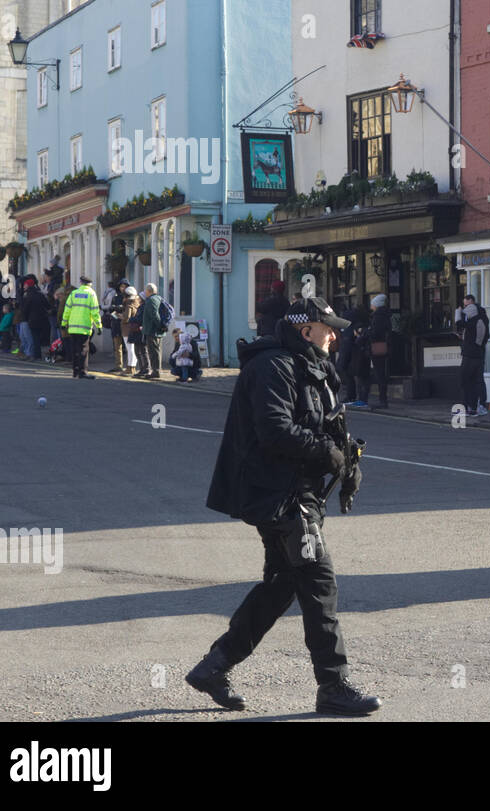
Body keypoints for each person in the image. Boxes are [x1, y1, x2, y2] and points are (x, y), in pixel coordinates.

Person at [188, 296, 380, 715]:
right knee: (318, 582)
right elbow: (276, 431)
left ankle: (213, 667)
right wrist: (327, 454)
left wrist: (348, 463)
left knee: (282, 584)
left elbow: (326, 425)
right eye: (327, 326)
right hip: (278, 494)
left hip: (296, 491)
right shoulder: (272, 366)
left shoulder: (313, 366)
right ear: (304, 329)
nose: (335, 333)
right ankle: (333, 686)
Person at [63, 276, 102, 379]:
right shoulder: (91, 294)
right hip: (84, 328)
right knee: (84, 350)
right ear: (90, 284)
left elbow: (67, 309)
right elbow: (95, 312)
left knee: (75, 349)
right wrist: (99, 326)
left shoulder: (73, 293)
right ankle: (83, 372)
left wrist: (63, 323)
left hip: (72, 328)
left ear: (80, 283)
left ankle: (75, 371)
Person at [457, 293, 489, 415]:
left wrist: (458, 314)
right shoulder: (483, 317)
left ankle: (468, 406)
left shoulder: (473, 315)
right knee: (478, 380)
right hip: (480, 353)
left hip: (470, 353)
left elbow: (459, 324)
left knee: (465, 380)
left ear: (471, 302)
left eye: (467, 305)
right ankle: (479, 406)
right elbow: (485, 335)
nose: (465, 308)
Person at [368, 293, 393, 409]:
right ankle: (383, 400)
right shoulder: (385, 315)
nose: (371, 306)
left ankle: (383, 401)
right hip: (384, 346)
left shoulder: (378, 317)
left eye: (373, 304)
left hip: (378, 347)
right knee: (381, 373)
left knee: (380, 374)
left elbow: (376, 333)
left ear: (377, 305)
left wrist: (365, 333)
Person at [135, 283, 164, 380]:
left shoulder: (151, 300)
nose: (145, 292)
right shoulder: (158, 298)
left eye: (145, 291)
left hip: (152, 331)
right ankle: (156, 370)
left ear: (148, 291)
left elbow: (154, 314)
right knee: (156, 351)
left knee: (153, 352)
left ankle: (156, 371)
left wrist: (160, 325)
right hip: (154, 330)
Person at [22, 277, 51, 361]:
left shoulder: (28, 295)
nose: (24, 286)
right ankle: (37, 354)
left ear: (28, 285)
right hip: (42, 318)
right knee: (37, 337)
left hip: (31, 319)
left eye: (25, 284)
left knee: (33, 337)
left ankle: (35, 355)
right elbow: (47, 305)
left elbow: (25, 309)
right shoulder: (40, 294)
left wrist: (25, 317)